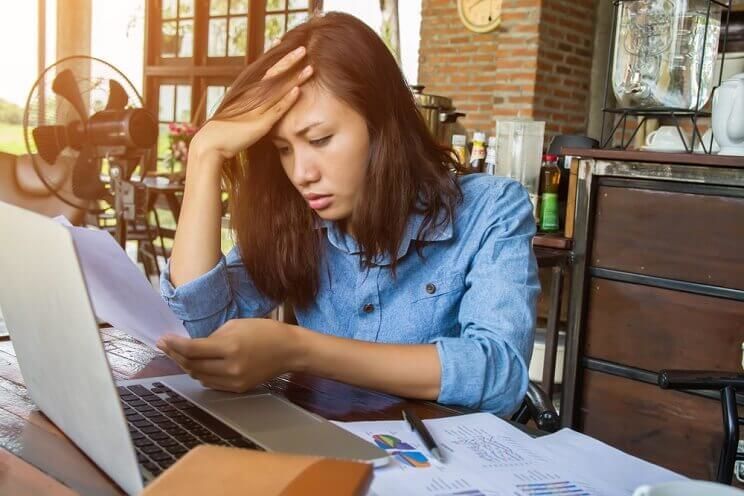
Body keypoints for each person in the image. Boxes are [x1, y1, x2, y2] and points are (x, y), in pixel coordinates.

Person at [157, 12, 539, 415]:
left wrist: (300, 350)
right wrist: (205, 155)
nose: (302, 174)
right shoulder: (298, 219)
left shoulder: (491, 208)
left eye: (320, 139)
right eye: (284, 149)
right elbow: (206, 331)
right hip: (329, 452)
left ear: (382, 126)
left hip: (444, 468)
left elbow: (500, 375)